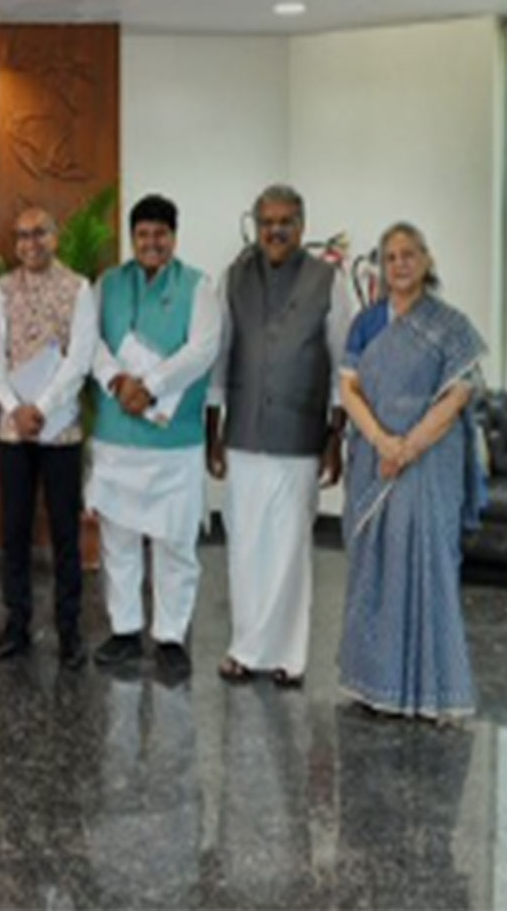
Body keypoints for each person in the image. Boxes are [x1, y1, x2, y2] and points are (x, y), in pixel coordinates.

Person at [338, 222, 485, 719]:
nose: (399, 264)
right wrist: (384, 442)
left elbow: (458, 394)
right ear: (381, 266)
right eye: (390, 256)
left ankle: (427, 690)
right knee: (375, 566)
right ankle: (374, 684)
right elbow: (349, 390)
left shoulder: (450, 325)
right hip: (374, 457)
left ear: (426, 260)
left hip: (429, 461)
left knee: (425, 563)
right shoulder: (366, 323)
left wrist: (409, 447)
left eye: (408, 254)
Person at [207, 184, 352, 687]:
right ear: (256, 225)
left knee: (290, 548)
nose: (276, 230)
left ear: (302, 226)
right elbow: (220, 359)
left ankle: (289, 656)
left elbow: (342, 366)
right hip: (244, 432)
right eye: (267, 222)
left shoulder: (328, 281)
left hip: (301, 433)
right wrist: (212, 432)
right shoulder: (234, 277)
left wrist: (336, 438)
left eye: (285, 221)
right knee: (245, 544)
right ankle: (245, 649)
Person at [87, 195, 221, 682]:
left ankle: (170, 637)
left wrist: (152, 385)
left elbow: (202, 350)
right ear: (132, 237)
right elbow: (91, 343)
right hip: (117, 434)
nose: (151, 242)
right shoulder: (108, 284)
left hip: (173, 440)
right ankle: (125, 630)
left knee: (175, 541)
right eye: (142, 234)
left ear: (174, 236)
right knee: (118, 538)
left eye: (160, 233)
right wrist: (117, 381)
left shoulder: (198, 287)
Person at [0, 206, 98, 669]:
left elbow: (80, 358)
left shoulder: (78, 288)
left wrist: (42, 408)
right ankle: (17, 625)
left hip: (60, 430)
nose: (30, 243)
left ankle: (69, 631)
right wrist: (15, 408)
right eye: (22, 235)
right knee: (15, 531)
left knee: (66, 533)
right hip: (14, 431)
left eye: (39, 233)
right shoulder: (2, 290)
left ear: (56, 236)